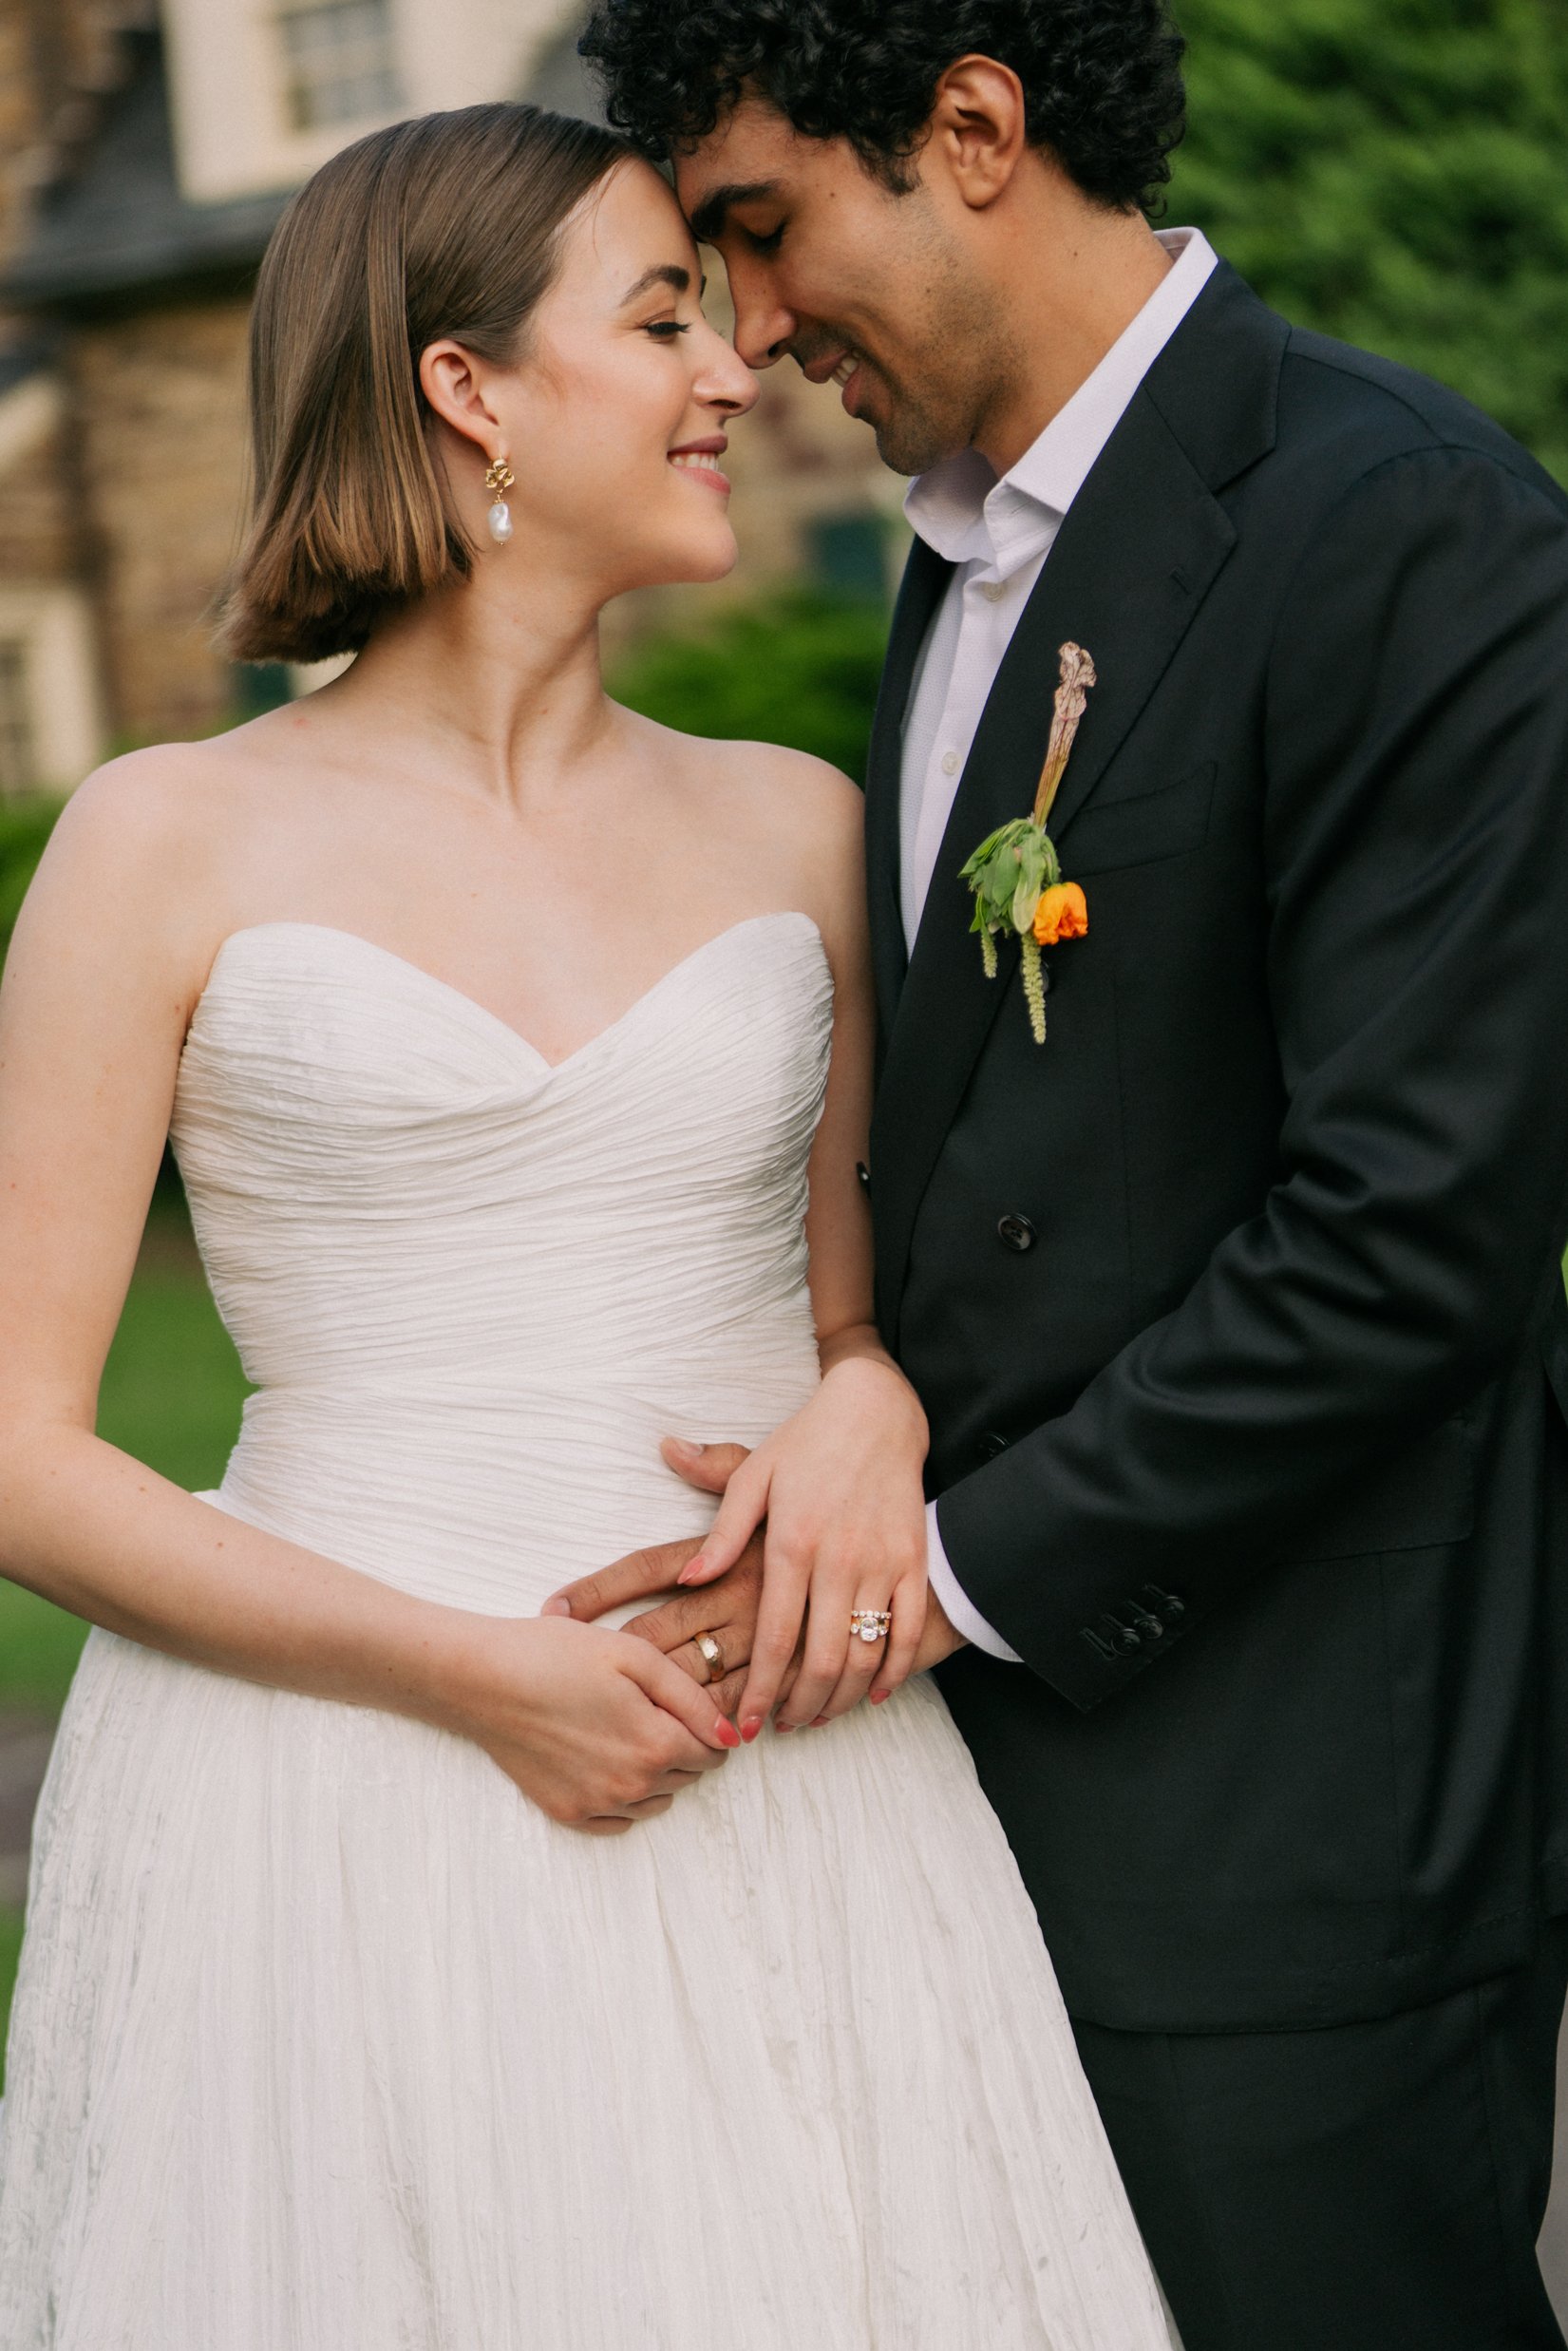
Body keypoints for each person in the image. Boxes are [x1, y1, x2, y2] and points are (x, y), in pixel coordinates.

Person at [0, 101, 1175, 2351]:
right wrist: (479, 1673)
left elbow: (866, 1315)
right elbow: (22, 1448)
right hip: (327, 1787)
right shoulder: (159, 840)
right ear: (469, 391)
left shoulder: (804, 822)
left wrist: (872, 1397)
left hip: (781, 1767)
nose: (736, 364)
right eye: (659, 318)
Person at [563, 6, 1568, 2344]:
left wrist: (932, 1574)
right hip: (981, 1818)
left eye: (757, 229)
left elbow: (1410, 1233)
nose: (748, 327)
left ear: (976, 128)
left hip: (1299, 1830)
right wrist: (864, 1380)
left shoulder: (1404, 521)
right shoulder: (957, 566)